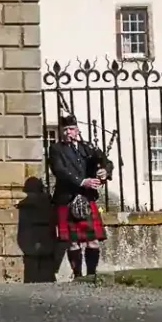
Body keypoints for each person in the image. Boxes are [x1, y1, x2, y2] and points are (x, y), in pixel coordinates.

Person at [46, 113, 111, 279]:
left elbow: (105, 161)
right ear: (61, 131)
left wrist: (104, 171)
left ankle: (91, 275)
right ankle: (78, 276)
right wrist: (82, 182)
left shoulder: (86, 147)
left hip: (87, 199)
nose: (68, 132)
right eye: (65, 129)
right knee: (73, 241)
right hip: (67, 198)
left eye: (71, 129)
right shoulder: (56, 149)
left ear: (77, 130)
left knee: (93, 241)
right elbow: (60, 171)